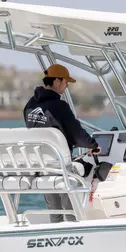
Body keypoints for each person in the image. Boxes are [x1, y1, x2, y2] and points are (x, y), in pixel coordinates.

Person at [23, 63, 100, 222]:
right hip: (59, 167)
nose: (67, 86)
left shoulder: (30, 105)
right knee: (76, 179)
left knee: (55, 208)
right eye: (66, 82)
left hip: (40, 166)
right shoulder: (60, 106)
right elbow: (76, 133)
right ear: (57, 81)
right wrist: (93, 145)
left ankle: (56, 226)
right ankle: (72, 224)